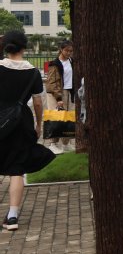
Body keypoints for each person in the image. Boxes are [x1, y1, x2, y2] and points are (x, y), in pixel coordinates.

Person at [1, 31, 55, 231]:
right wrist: (38, 124)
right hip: (20, 122)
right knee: (16, 169)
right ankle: (12, 216)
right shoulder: (32, 72)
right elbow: (38, 102)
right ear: (24, 47)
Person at [45, 40, 75, 154]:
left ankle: (66, 144)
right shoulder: (54, 64)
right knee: (56, 117)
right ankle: (52, 144)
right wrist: (58, 98)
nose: (69, 53)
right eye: (67, 50)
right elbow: (51, 83)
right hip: (56, 93)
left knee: (68, 118)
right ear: (61, 49)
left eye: (71, 51)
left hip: (68, 92)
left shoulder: (72, 61)